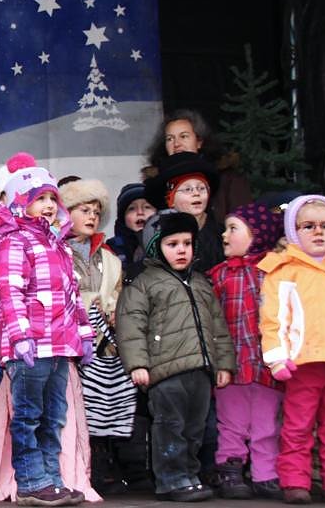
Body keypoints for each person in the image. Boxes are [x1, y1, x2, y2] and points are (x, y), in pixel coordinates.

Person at [0, 153, 93, 506]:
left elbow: (73, 296)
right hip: (30, 348)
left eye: (52, 198)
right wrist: (20, 337)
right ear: (20, 202)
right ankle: (32, 482)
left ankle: (52, 479)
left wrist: (84, 335)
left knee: (54, 417)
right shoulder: (14, 241)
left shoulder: (59, 245)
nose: (48, 205)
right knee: (28, 417)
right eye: (39, 198)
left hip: (61, 346)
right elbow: (9, 292)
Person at [116, 209, 236, 503]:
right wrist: (138, 364)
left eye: (187, 243)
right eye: (172, 244)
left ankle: (189, 476)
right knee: (169, 427)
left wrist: (223, 364)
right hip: (165, 373)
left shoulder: (201, 283)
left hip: (200, 369)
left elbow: (218, 326)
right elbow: (130, 325)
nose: (181, 250)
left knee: (195, 429)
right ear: (156, 246)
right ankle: (171, 479)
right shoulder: (143, 282)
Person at [58, 178, 137, 494]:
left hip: (104, 346)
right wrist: (90, 304)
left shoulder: (109, 258)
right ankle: (77, 466)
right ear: (66, 213)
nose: (91, 216)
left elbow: (117, 295)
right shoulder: (57, 251)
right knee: (73, 409)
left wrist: (115, 310)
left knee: (106, 401)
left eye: (95, 211)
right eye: (83, 210)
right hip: (71, 344)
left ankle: (102, 462)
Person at [207, 202, 284, 500]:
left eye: (233, 229)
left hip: (267, 365)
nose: (224, 235)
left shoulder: (275, 272)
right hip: (232, 365)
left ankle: (266, 473)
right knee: (231, 422)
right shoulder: (219, 275)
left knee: (267, 423)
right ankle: (230, 470)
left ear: (257, 234)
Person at [258, 195, 325, 504]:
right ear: (293, 231)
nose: (318, 232)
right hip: (303, 362)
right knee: (298, 425)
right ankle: (295, 480)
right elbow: (272, 319)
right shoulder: (283, 270)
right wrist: (276, 358)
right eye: (308, 226)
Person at [144, 109, 252, 219]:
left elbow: (243, 221)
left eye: (184, 136)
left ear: (199, 142)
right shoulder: (157, 184)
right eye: (170, 139)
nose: (176, 144)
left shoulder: (227, 179)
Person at [144, 151, 225, 274]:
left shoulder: (223, 234)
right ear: (170, 199)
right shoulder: (157, 235)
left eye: (201, 188)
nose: (196, 193)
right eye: (187, 189)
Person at [105, 183, 157, 279]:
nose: (140, 212)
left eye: (147, 207)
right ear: (123, 218)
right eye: (132, 208)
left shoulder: (168, 243)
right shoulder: (111, 249)